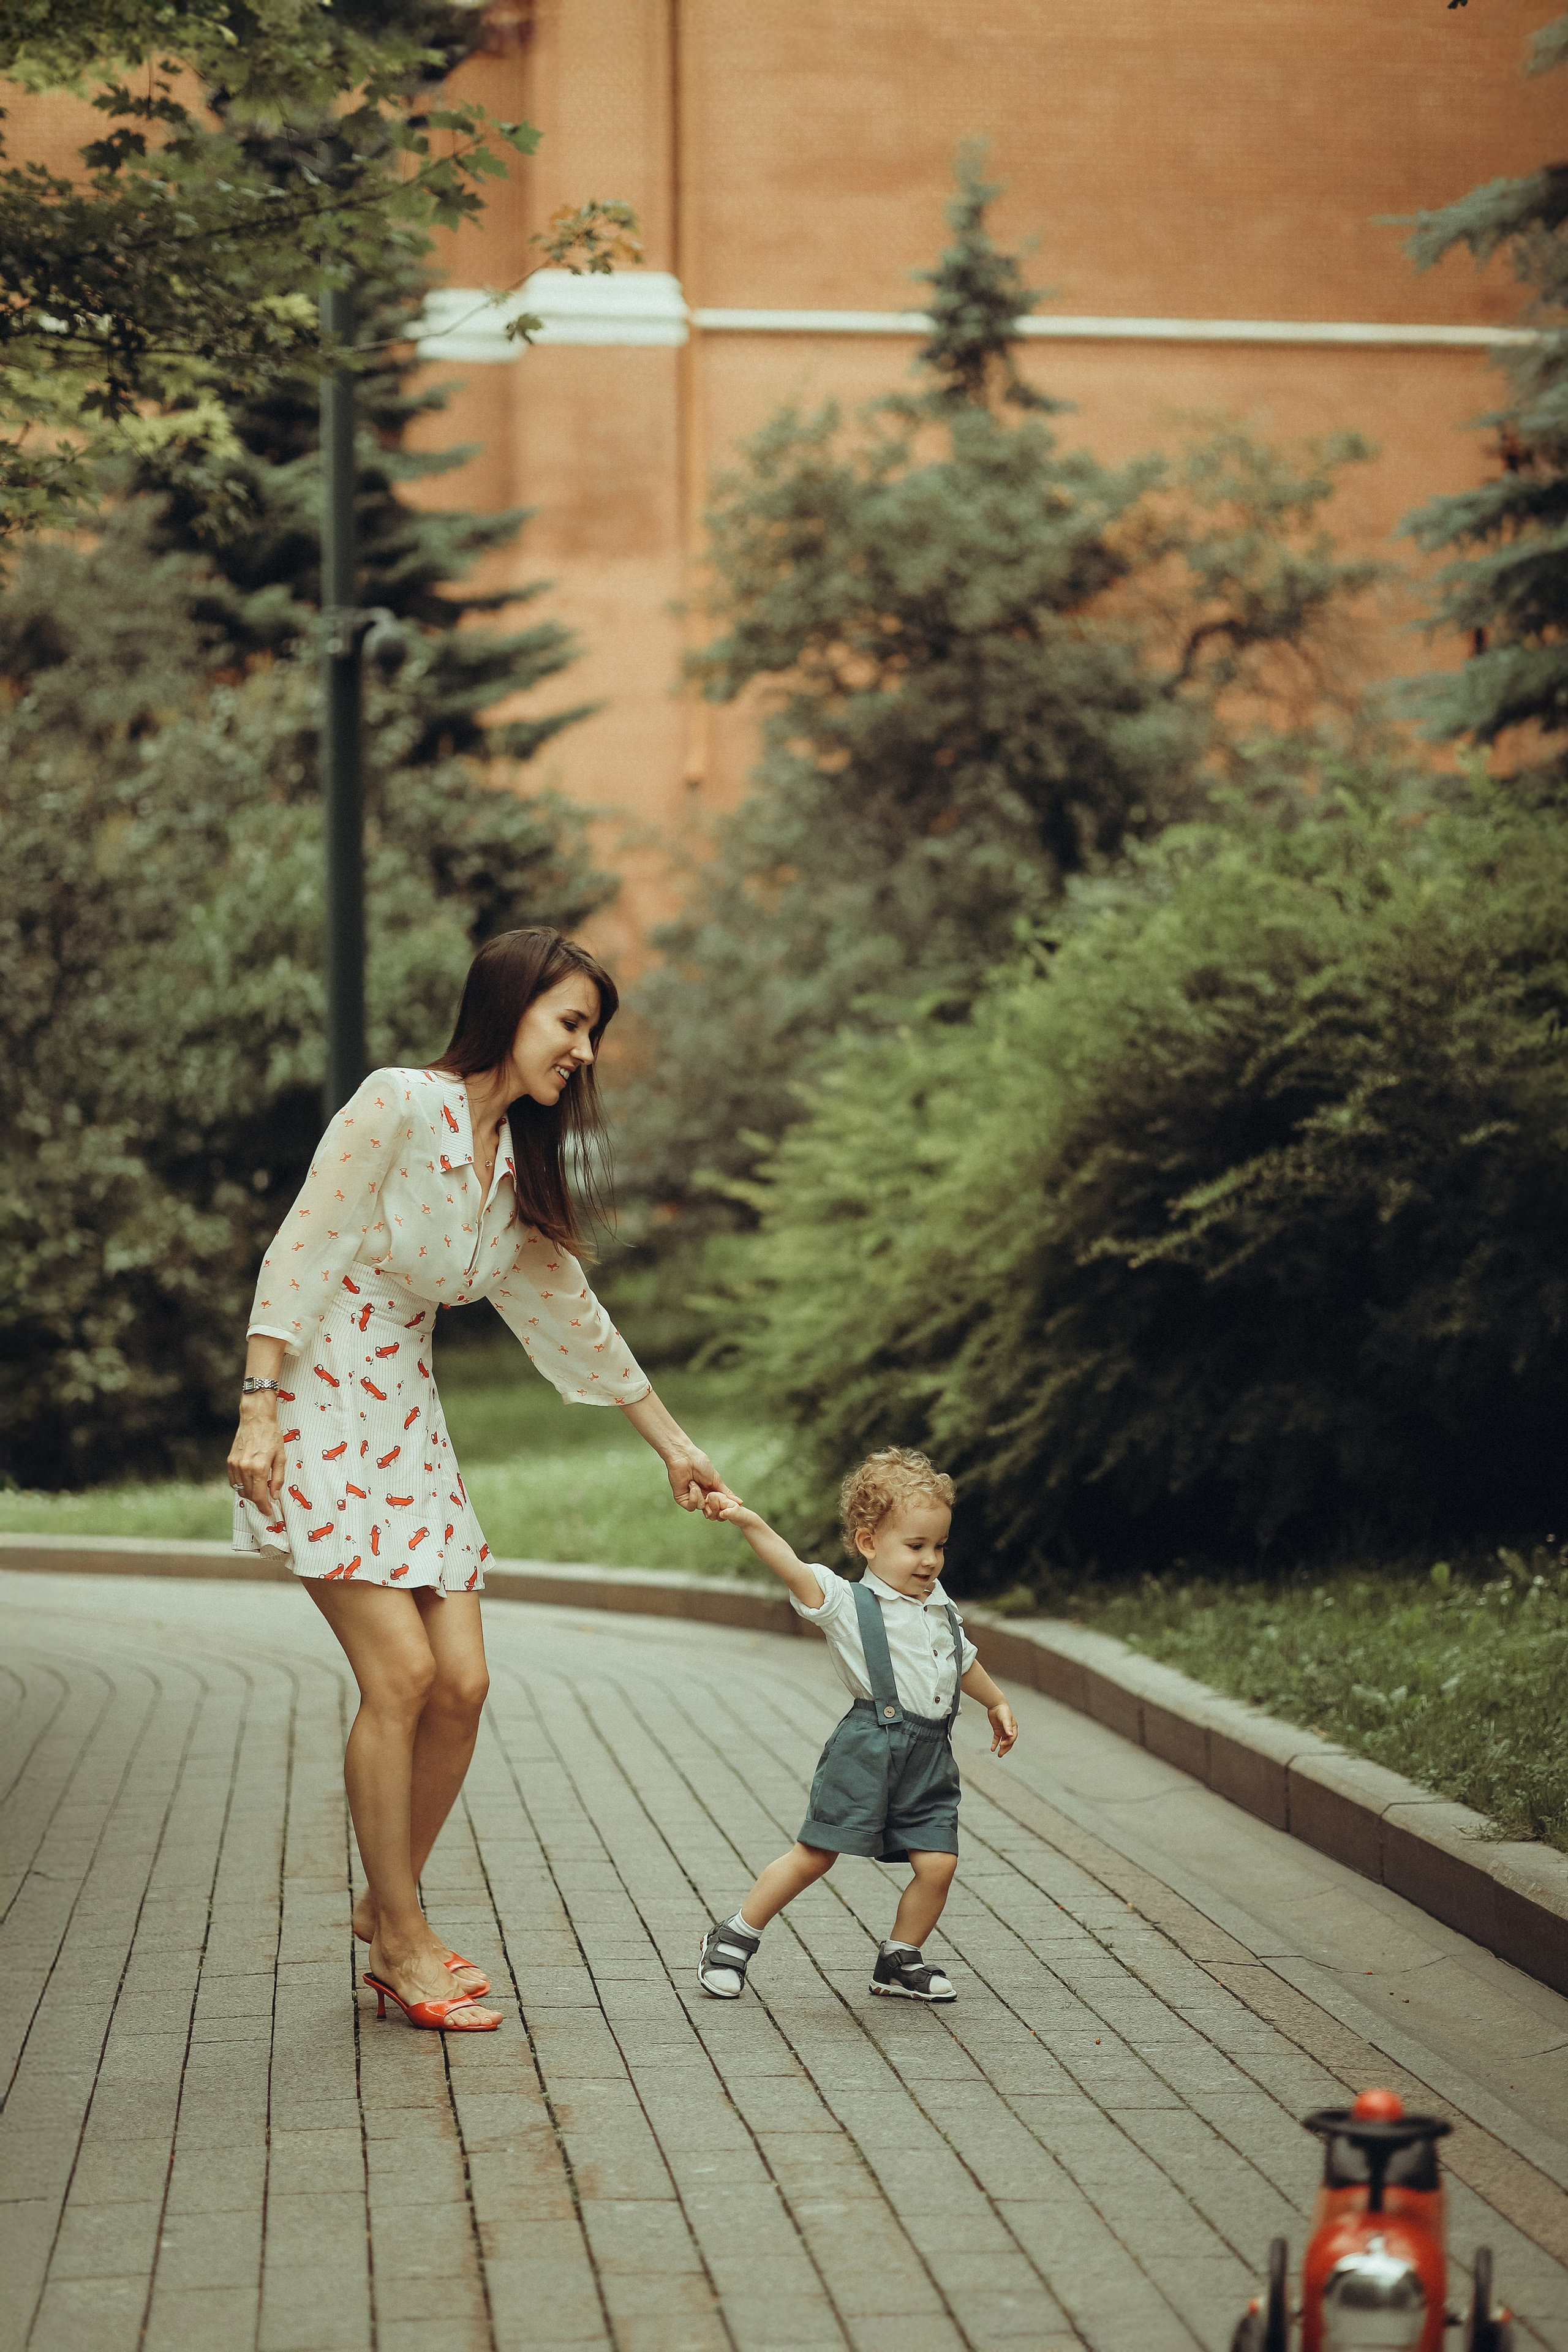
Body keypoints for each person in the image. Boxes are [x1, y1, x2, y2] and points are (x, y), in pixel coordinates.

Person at [226, 927, 726, 2032]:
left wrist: (675, 1446)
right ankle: (400, 1941)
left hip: (406, 1414)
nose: (583, 1053)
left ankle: (384, 1900)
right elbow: (304, 1245)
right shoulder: (399, 1104)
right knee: (400, 1677)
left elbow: (574, 1319)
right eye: (571, 1023)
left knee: (464, 1682)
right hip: (318, 1401)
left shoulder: (514, 1168)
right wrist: (259, 1406)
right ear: (512, 1009)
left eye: (593, 1032)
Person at [696, 1446, 1017, 2005]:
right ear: (870, 1544)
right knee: (817, 1853)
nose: (931, 1561)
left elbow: (960, 1657)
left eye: (939, 1546)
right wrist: (746, 1519)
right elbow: (791, 1565)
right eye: (915, 1546)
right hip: (869, 1745)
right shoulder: (847, 1602)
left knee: (938, 1860)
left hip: (929, 1755)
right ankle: (734, 1936)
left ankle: (899, 1958)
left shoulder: (937, 1602)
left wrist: (995, 1700)